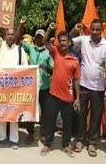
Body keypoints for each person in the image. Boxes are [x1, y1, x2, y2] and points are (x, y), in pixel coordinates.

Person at [0, 6, 28, 150]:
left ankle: (14, 140)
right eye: (8, 34)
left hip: (15, 88)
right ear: (5, 35)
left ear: (16, 36)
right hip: (0, 87)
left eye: (12, 34)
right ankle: (1, 138)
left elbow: (26, 70)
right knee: (1, 113)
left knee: (13, 114)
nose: (10, 36)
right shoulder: (0, 45)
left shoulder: (20, 50)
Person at [70, 20, 106, 157]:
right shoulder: (83, 40)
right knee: (81, 114)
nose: (94, 32)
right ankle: (80, 140)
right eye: (93, 29)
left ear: (101, 30)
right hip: (83, 85)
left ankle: (92, 143)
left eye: (97, 29)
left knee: (95, 116)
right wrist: (74, 30)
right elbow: (67, 41)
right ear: (90, 29)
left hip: (98, 87)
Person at [41, 27, 80, 157]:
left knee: (67, 123)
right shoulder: (55, 53)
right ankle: (48, 144)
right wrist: (50, 29)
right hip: (53, 95)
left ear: (69, 42)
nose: (63, 43)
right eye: (61, 41)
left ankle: (66, 145)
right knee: (50, 121)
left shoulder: (74, 60)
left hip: (68, 98)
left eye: (65, 40)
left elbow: (76, 80)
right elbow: (45, 40)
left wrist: (78, 98)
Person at [17, 18, 53, 144]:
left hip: (44, 87)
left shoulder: (48, 52)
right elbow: (18, 40)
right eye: (37, 37)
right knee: (30, 111)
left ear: (44, 39)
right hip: (31, 87)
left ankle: (43, 134)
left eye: (41, 37)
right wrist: (21, 25)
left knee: (45, 112)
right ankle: (30, 134)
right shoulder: (30, 48)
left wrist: (47, 68)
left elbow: (52, 68)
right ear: (35, 38)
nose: (39, 39)